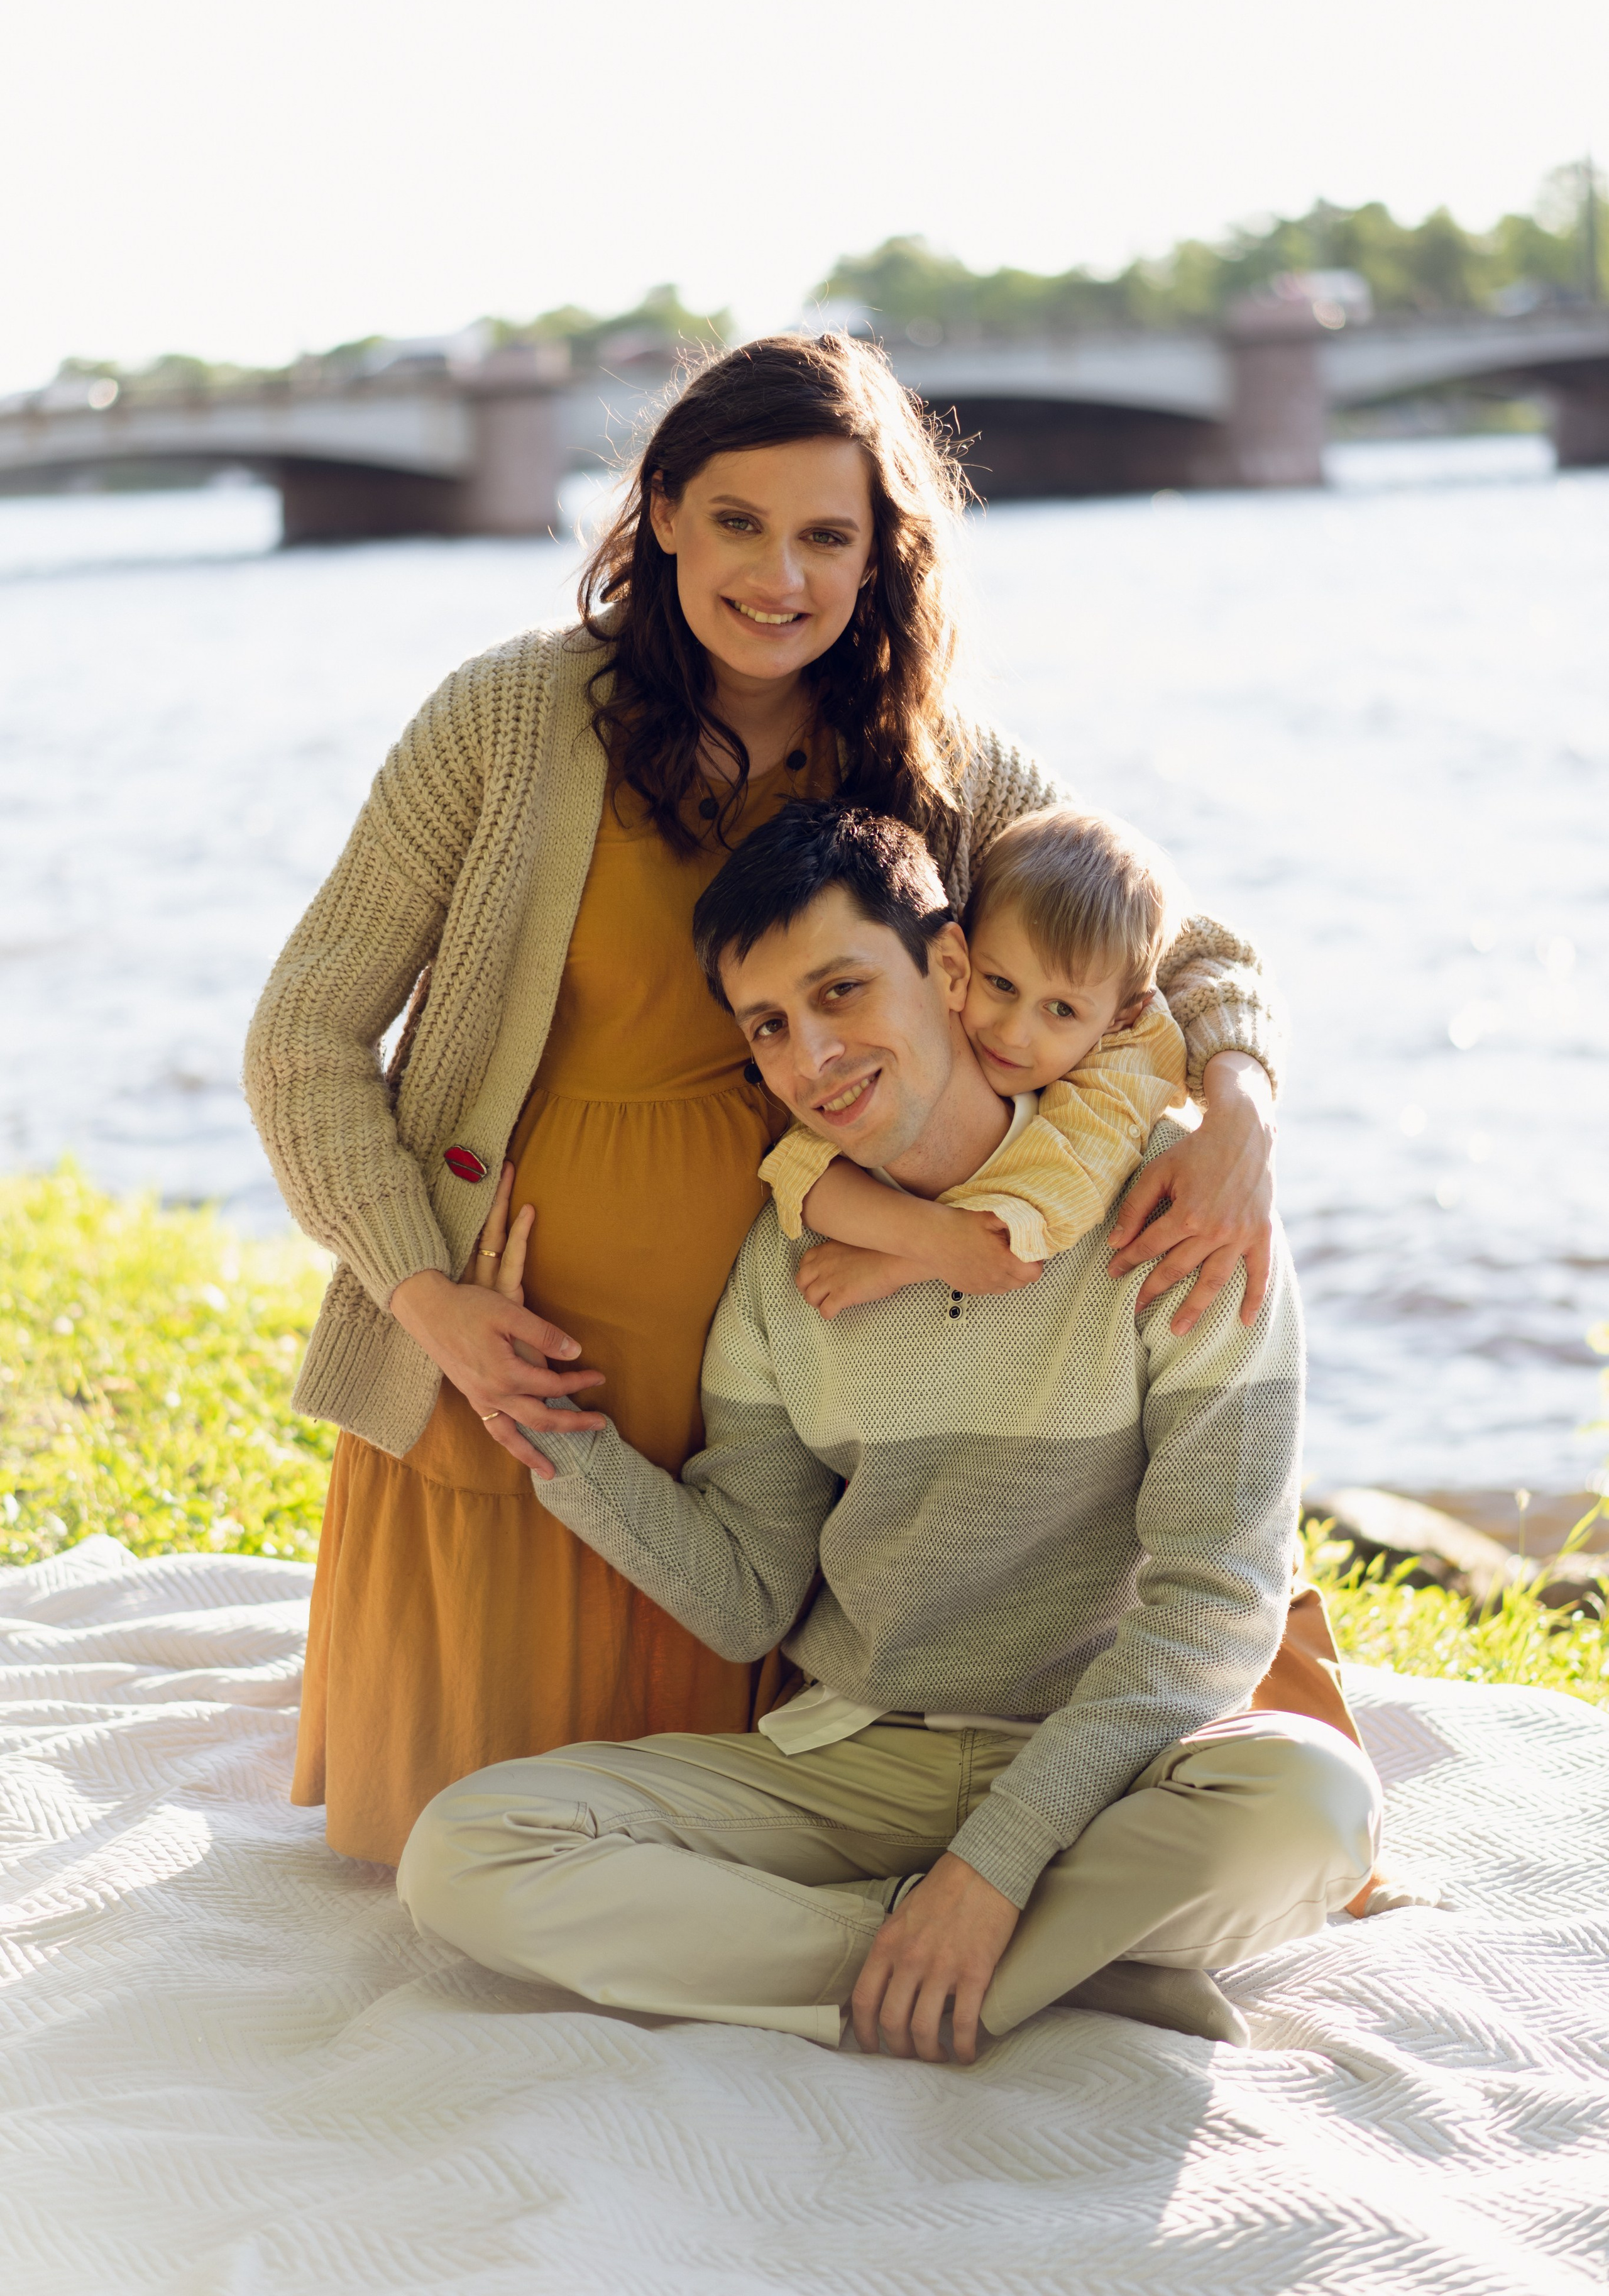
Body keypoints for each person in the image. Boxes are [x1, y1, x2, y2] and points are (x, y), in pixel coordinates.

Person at [246, 333, 1296, 1872]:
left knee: (734, 1824)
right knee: (442, 1860)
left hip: (787, 1372)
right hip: (515, 1364)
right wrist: (424, 1301)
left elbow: (1176, 943)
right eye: (737, 521)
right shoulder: (507, 721)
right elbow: (303, 1034)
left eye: (826, 534)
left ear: (879, 554)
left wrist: (1241, 1112)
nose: (779, 575)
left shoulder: (932, 759)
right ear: (660, 510)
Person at [395, 803, 1381, 2061]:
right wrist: (543, 1430)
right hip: (858, 1760)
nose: (811, 1056)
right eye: (768, 1027)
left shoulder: (1172, 1208)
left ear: (955, 971)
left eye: (842, 991)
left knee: (1312, 1808)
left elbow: (1217, 1604)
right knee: (467, 1852)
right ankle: (999, 1968)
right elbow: (751, 1595)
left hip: (1109, 1772)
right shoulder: (782, 1268)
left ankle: (931, 1951)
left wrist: (996, 1863)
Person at [762, 801, 1189, 1319]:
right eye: (1000, 983)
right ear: (960, 955)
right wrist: (928, 1234)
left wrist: (898, 1263)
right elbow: (798, 1167)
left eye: (1061, 1010)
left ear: (1122, 1016)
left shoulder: (1124, 1073)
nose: (1013, 1032)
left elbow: (1058, 1202)